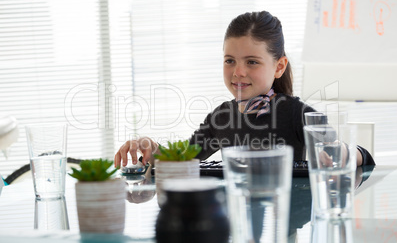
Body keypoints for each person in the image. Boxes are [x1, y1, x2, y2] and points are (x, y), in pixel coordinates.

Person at [114, 11, 374, 168]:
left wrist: (343, 152)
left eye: (252, 62)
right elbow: (184, 157)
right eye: (230, 61)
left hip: (283, 220)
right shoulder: (221, 118)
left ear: (279, 66)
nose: (238, 72)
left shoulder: (297, 114)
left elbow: (359, 156)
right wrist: (150, 146)